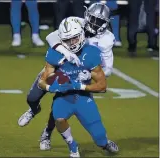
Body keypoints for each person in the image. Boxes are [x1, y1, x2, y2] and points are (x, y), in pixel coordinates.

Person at [17, 2, 115, 150]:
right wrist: (66, 52)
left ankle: (47, 133)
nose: (94, 23)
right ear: (86, 15)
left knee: (60, 105)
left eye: (99, 21)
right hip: (59, 66)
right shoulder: (76, 23)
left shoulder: (107, 39)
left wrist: (86, 73)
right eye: (92, 18)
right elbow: (51, 37)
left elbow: (107, 69)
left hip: (78, 75)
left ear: (106, 23)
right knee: (32, 97)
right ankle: (33, 109)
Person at [37, 18, 119, 157]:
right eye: (68, 40)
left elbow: (102, 86)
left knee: (99, 138)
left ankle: (105, 143)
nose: (72, 43)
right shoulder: (55, 53)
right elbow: (42, 81)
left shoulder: (91, 53)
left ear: (81, 35)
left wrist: (79, 85)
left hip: (83, 98)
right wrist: (52, 88)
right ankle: (73, 147)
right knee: (59, 118)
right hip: (63, 97)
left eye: (74, 38)